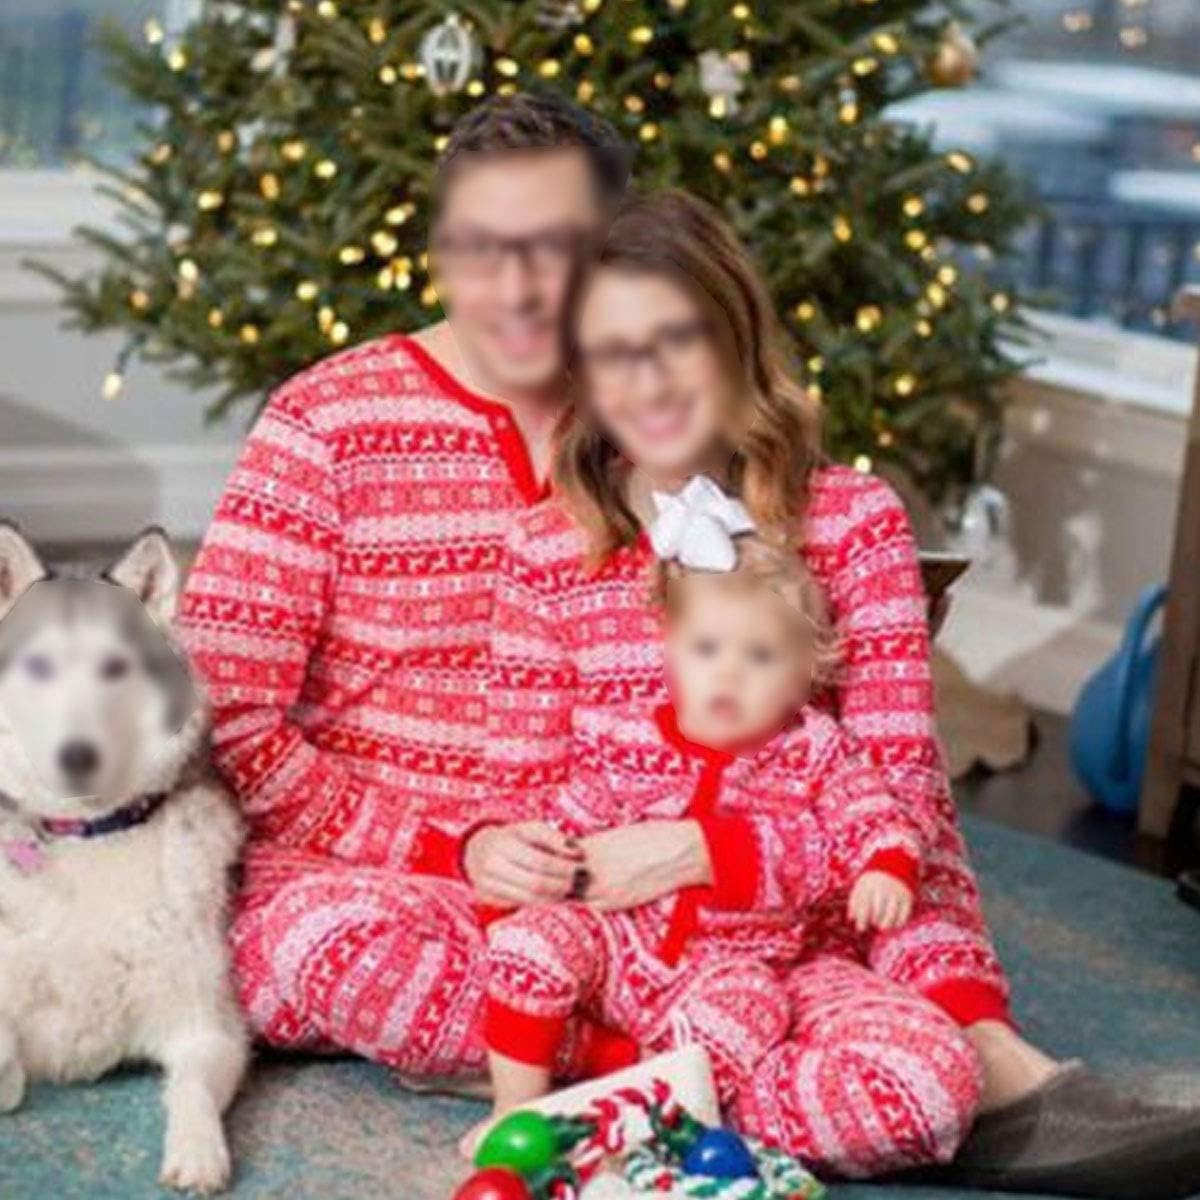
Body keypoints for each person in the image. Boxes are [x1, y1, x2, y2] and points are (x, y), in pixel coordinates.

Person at [177, 93, 1200, 1191]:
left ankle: (927, 1063)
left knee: (893, 1021)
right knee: (309, 952)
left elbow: (889, 788)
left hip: (728, 912)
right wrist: (464, 850)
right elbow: (232, 719)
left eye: (555, 251)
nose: (516, 287)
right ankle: (675, 1080)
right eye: (481, 245)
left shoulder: (743, 468)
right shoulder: (362, 437)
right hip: (466, 888)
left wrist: (941, 988)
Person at [480, 186, 1200, 1194]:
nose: (646, 383)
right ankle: (622, 1076)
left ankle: (963, 1069)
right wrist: (498, 849)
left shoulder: (853, 520)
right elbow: (508, 797)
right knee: (356, 960)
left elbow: (902, 803)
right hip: (612, 947)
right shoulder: (541, 546)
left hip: (804, 951)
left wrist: (708, 853)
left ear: (736, 341)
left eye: (677, 340)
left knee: (919, 1077)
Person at [469, 518, 919, 1154]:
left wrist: (887, 866)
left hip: (727, 963)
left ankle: (628, 1110)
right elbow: (572, 817)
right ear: (672, 652)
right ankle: (516, 1108)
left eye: (760, 657)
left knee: (754, 1010)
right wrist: (518, 889)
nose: (729, 675)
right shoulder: (627, 739)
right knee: (532, 942)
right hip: (621, 943)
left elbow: (867, 813)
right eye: (707, 650)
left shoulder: (815, 750)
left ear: (803, 679)